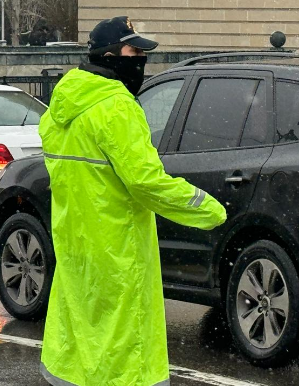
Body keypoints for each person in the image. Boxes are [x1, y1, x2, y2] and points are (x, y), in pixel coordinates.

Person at [38, 16, 227, 386]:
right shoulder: (118, 108)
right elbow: (146, 182)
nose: (141, 59)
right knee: (127, 348)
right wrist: (209, 208)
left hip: (77, 245)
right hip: (118, 249)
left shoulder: (61, 110)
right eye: (134, 50)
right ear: (110, 55)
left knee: (81, 332)